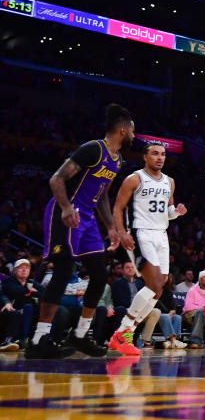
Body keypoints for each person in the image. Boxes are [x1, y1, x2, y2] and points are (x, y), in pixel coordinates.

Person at [28, 104, 132, 359]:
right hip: (67, 214)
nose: (133, 135)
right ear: (122, 130)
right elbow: (57, 178)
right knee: (63, 271)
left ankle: (80, 335)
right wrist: (64, 208)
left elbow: (104, 194)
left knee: (98, 275)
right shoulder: (93, 148)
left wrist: (110, 227)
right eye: (132, 131)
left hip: (88, 218)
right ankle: (38, 340)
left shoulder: (117, 160)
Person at [110, 141, 187, 357]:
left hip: (162, 235)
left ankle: (125, 332)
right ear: (145, 157)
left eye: (163, 154)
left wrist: (178, 211)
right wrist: (121, 232)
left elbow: (169, 212)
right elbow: (118, 207)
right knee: (153, 283)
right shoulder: (134, 178)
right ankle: (122, 331)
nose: (160, 158)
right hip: (141, 232)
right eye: (155, 154)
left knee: (159, 287)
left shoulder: (169, 182)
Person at [1, 258, 38, 351]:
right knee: (23, 309)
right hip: (13, 308)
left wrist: (33, 292)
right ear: (15, 270)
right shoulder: (8, 281)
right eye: (21, 268)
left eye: (27, 268)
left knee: (52, 310)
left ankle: (47, 340)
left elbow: (43, 293)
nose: (24, 270)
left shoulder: (32, 282)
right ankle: (15, 340)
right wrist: (30, 291)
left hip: (28, 309)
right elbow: (13, 291)